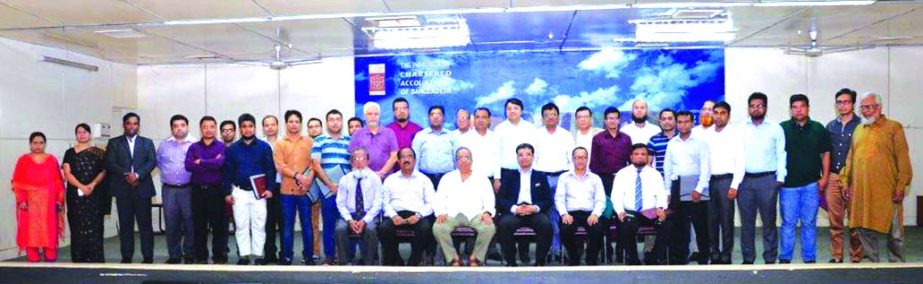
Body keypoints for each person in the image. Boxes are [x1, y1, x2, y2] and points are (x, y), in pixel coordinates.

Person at [842, 92, 912, 263]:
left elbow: (903, 158)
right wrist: (845, 181)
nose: (865, 111)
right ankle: (870, 264)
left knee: (894, 231)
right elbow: (850, 158)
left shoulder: (894, 127)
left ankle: (898, 265)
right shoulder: (859, 129)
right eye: (863, 107)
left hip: (888, 190)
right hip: (862, 190)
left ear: (879, 108)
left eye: (869, 107)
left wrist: (901, 185)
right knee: (863, 227)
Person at [779, 94, 831, 264]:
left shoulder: (818, 128)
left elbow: (825, 154)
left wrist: (825, 178)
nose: (798, 109)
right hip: (788, 186)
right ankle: (785, 257)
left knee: (809, 223)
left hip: (812, 185)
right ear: (790, 109)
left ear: (808, 108)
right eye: (794, 107)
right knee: (788, 224)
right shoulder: (782, 128)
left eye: (802, 106)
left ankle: (809, 259)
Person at [738, 92, 786, 265]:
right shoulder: (740, 128)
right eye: (752, 106)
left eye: (759, 105)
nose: (756, 108)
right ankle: (748, 258)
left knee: (769, 222)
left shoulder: (775, 128)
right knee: (747, 223)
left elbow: (781, 154)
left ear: (765, 107)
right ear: (748, 108)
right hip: (745, 182)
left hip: (768, 181)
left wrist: (780, 178)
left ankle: (770, 257)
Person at [224, 113, 277, 265]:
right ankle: (244, 255)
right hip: (239, 191)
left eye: (250, 126)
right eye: (244, 127)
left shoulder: (264, 147)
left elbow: (270, 170)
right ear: (240, 129)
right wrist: (227, 192)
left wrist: (270, 189)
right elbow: (227, 172)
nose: (247, 129)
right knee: (241, 225)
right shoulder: (233, 149)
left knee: (259, 224)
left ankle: (259, 255)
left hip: (259, 192)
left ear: (255, 128)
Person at [105, 112, 158, 264]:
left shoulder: (147, 142)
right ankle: (126, 256)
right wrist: (127, 174)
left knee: (145, 226)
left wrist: (138, 175)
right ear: (124, 125)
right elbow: (110, 162)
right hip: (123, 189)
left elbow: (152, 161)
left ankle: (148, 257)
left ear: (139, 126)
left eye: (135, 123)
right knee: (125, 225)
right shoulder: (114, 143)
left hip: (143, 189)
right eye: (128, 123)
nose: (131, 126)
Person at [432, 147, 497, 267]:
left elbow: (489, 198)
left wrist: (487, 212)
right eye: (460, 158)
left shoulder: (481, 178)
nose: (463, 160)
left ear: (472, 160)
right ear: (456, 162)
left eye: (466, 157)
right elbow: (439, 198)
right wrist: (440, 212)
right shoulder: (447, 178)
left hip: (476, 214)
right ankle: (453, 258)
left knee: (489, 227)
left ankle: (476, 257)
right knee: (438, 227)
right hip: (451, 214)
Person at [612, 144, 673, 265]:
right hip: (630, 214)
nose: (640, 157)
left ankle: (654, 257)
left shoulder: (655, 174)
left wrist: (661, 208)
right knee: (625, 225)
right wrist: (619, 211)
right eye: (636, 154)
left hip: (651, 214)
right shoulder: (622, 173)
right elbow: (616, 196)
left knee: (667, 225)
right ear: (631, 157)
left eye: (643, 154)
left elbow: (661, 194)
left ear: (647, 157)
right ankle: (633, 258)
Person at [663, 111, 711, 265]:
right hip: (677, 184)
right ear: (677, 124)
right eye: (680, 122)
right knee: (679, 225)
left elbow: (706, 167)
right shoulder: (672, 143)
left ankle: (704, 257)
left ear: (692, 123)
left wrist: (699, 188)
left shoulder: (700, 142)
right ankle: (681, 258)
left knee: (700, 224)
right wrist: (668, 191)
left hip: (695, 183)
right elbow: (667, 168)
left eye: (686, 122)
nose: (683, 124)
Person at [701, 102, 745, 265]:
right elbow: (704, 161)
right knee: (711, 221)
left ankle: (726, 254)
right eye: (716, 113)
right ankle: (714, 253)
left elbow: (741, 162)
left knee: (726, 221)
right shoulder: (707, 134)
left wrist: (734, 185)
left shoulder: (735, 134)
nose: (719, 116)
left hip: (727, 181)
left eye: (723, 113)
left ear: (728, 115)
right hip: (709, 182)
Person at [12, 132, 65, 262]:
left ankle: (50, 258)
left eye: (41, 142)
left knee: (50, 230)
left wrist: (59, 200)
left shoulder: (52, 159)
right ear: (30, 144)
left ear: (45, 144)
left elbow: (58, 182)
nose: (38, 145)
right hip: (30, 202)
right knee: (30, 232)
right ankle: (33, 259)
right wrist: (22, 199)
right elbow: (17, 182)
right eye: (35, 142)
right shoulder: (23, 160)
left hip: (49, 200)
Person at [497, 143, 554, 266]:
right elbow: (501, 199)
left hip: (534, 211)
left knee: (546, 225)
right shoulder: (509, 176)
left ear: (533, 157)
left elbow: (548, 200)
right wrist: (515, 208)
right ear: (517, 158)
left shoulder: (540, 176)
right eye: (521, 155)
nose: (524, 157)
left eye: (528, 154)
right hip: (515, 212)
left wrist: (535, 208)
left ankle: (539, 261)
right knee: (504, 225)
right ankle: (511, 261)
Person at [378, 148, 437, 266]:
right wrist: (393, 215)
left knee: (425, 228)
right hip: (395, 213)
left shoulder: (424, 180)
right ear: (398, 161)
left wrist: (418, 215)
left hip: (417, 214)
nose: (406, 160)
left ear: (414, 160)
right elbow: (384, 201)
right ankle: (396, 260)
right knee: (383, 228)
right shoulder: (390, 179)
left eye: (409, 157)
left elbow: (431, 203)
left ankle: (414, 261)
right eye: (403, 157)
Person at [531, 102, 574, 262]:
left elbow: (572, 158)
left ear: (558, 117)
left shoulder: (566, 135)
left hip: (562, 177)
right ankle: (548, 249)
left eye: (553, 115)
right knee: (546, 216)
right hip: (542, 179)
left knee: (559, 214)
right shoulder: (536, 135)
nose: (550, 118)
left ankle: (559, 249)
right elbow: (532, 158)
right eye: (547, 115)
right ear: (543, 118)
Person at [589, 106, 632, 263]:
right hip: (604, 181)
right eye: (609, 118)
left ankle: (621, 249)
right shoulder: (598, 138)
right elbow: (593, 164)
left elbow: (631, 161)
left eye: (615, 118)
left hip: (622, 181)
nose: (612, 121)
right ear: (605, 120)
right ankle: (606, 249)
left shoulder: (626, 139)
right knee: (606, 216)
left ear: (619, 120)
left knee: (621, 215)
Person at [824, 88, 863, 263]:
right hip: (833, 177)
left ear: (853, 104)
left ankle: (856, 256)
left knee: (855, 222)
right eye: (839, 102)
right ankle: (837, 256)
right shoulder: (830, 126)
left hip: (854, 179)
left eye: (846, 101)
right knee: (835, 221)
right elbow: (824, 152)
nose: (842, 105)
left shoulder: (862, 125)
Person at [273, 110, 316, 265]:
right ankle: (286, 256)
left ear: (300, 123)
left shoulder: (309, 141)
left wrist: (308, 180)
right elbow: (280, 166)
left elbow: (314, 164)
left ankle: (309, 256)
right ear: (286, 124)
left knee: (307, 224)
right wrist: (298, 176)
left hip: (305, 191)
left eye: (297, 121)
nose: (294, 124)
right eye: (291, 121)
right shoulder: (280, 142)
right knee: (287, 226)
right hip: (286, 191)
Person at [185, 116, 228, 264]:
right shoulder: (193, 147)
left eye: (211, 126)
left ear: (215, 128)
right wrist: (211, 162)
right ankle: (201, 256)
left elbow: (219, 164)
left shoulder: (221, 146)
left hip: (216, 191)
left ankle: (219, 256)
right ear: (200, 128)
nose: (208, 129)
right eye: (205, 126)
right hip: (197, 191)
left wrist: (201, 161)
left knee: (218, 226)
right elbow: (188, 166)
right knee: (199, 225)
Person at [62, 124, 108, 263]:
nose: (82, 135)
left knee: (95, 226)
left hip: (94, 194)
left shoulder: (99, 152)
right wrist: (81, 186)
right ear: (76, 135)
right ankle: (78, 258)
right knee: (77, 225)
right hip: (75, 195)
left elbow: (103, 171)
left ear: (90, 134)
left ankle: (96, 258)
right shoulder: (69, 152)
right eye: (79, 132)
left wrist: (92, 185)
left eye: (85, 132)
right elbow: (67, 173)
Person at [312, 109, 351, 265]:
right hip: (327, 191)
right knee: (328, 224)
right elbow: (316, 164)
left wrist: (343, 187)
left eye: (338, 119)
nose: (335, 122)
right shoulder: (319, 140)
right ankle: (329, 256)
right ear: (327, 122)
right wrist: (330, 184)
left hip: (346, 191)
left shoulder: (349, 140)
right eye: (331, 119)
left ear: (342, 122)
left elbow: (354, 164)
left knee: (345, 223)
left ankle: (345, 257)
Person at [555, 147, 606, 266]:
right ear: (572, 159)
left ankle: (591, 257)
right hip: (570, 213)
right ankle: (574, 257)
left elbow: (600, 199)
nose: (580, 160)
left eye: (583, 157)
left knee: (598, 228)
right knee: (565, 229)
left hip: (590, 213)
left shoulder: (595, 178)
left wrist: (595, 214)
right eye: (577, 157)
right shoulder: (564, 177)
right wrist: (564, 214)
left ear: (587, 159)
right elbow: (559, 199)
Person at [157, 114, 196, 264]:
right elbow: (158, 162)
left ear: (187, 126)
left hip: (189, 189)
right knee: (171, 223)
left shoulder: (195, 144)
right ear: (172, 128)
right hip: (169, 190)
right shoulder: (164, 145)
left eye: (182, 125)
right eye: (175, 126)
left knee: (189, 222)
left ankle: (190, 254)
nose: (179, 128)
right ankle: (174, 255)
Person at [335, 147, 383, 265]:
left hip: (368, 214)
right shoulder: (344, 179)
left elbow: (378, 203)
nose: (359, 161)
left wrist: (365, 220)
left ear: (367, 161)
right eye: (355, 159)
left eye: (362, 158)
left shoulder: (375, 179)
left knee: (371, 229)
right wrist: (349, 220)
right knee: (340, 229)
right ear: (352, 162)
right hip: (349, 214)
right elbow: (340, 203)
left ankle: (369, 262)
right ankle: (345, 262)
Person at [412, 105, 459, 189]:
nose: (435, 117)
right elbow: (415, 159)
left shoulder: (452, 136)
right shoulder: (420, 136)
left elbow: (457, 158)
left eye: (439, 114)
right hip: (426, 178)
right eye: (432, 114)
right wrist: (416, 179)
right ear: (428, 118)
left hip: (448, 178)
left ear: (443, 118)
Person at [349, 102, 399, 180]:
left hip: (386, 178)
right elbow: (354, 158)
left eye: (376, 114)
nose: (373, 117)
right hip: (364, 178)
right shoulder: (358, 134)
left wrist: (382, 173)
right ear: (364, 116)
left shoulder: (389, 133)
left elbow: (394, 156)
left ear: (379, 116)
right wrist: (371, 175)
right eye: (370, 114)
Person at [495, 98, 536, 191]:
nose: (512, 111)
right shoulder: (499, 129)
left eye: (516, 108)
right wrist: (497, 178)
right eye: (509, 109)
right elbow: (496, 155)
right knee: (505, 204)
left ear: (521, 111)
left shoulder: (530, 128)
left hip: (527, 172)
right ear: (505, 112)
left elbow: (535, 152)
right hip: (505, 173)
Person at [261, 115, 283, 265]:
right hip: (265, 188)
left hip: (283, 187)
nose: (270, 127)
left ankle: (284, 254)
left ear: (277, 126)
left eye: (273, 124)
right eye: (267, 125)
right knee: (267, 223)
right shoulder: (259, 144)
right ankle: (269, 254)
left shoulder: (284, 142)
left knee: (283, 223)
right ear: (263, 127)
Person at [306, 117, 324, 261]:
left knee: (332, 222)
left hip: (330, 187)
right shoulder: (305, 145)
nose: (314, 129)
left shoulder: (326, 141)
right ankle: (315, 252)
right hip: (312, 188)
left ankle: (335, 253)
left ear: (321, 128)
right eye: (311, 127)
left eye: (316, 126)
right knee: (314, 223)